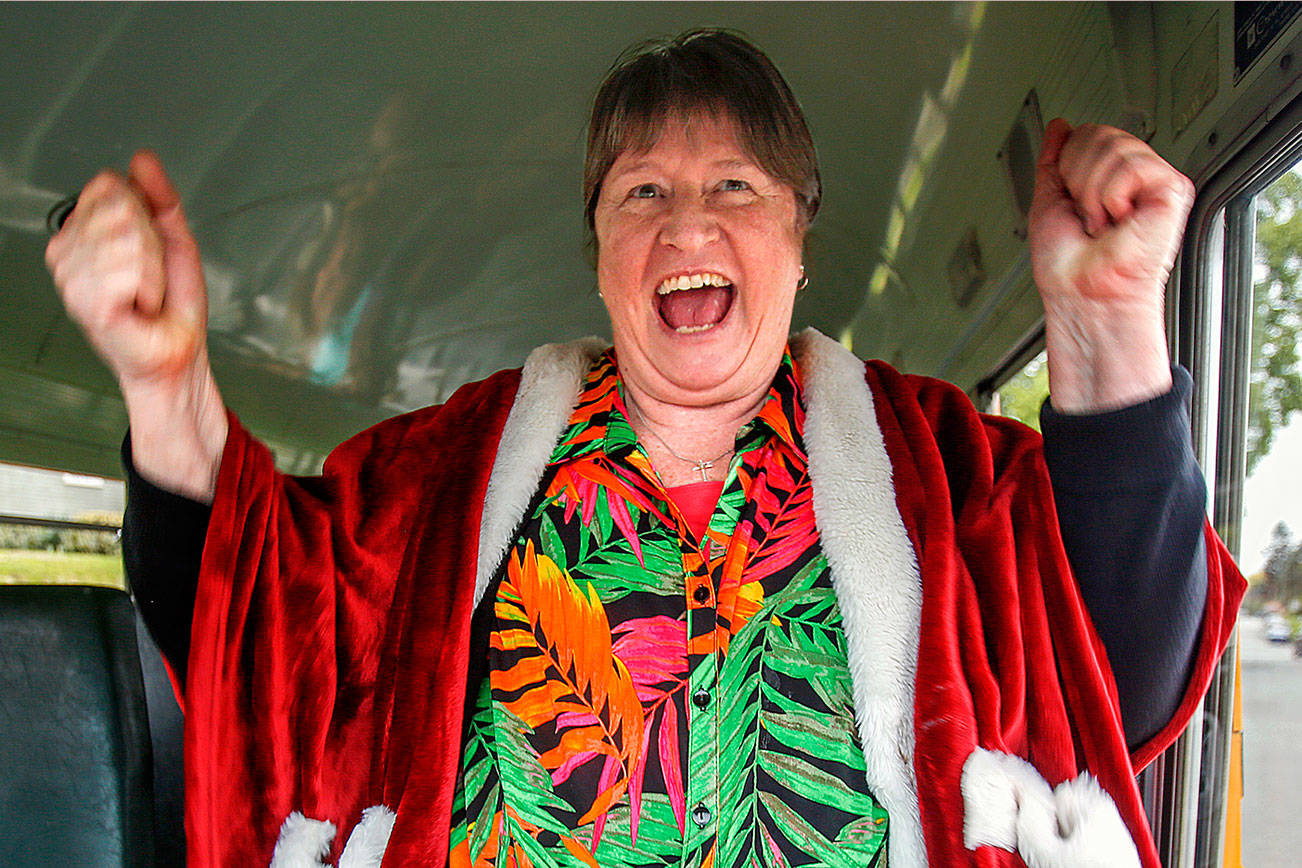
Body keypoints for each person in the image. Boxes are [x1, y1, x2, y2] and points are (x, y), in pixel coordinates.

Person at [46, 29, 1242, 868]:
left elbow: (1122, 673)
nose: (688, 222)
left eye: (737, 183)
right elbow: (246, 614)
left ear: (798, 234)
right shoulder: (451, 477)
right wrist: (166, 384)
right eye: (639, 193)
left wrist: (1105, 331)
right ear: (600, 252)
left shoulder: (935, 468)